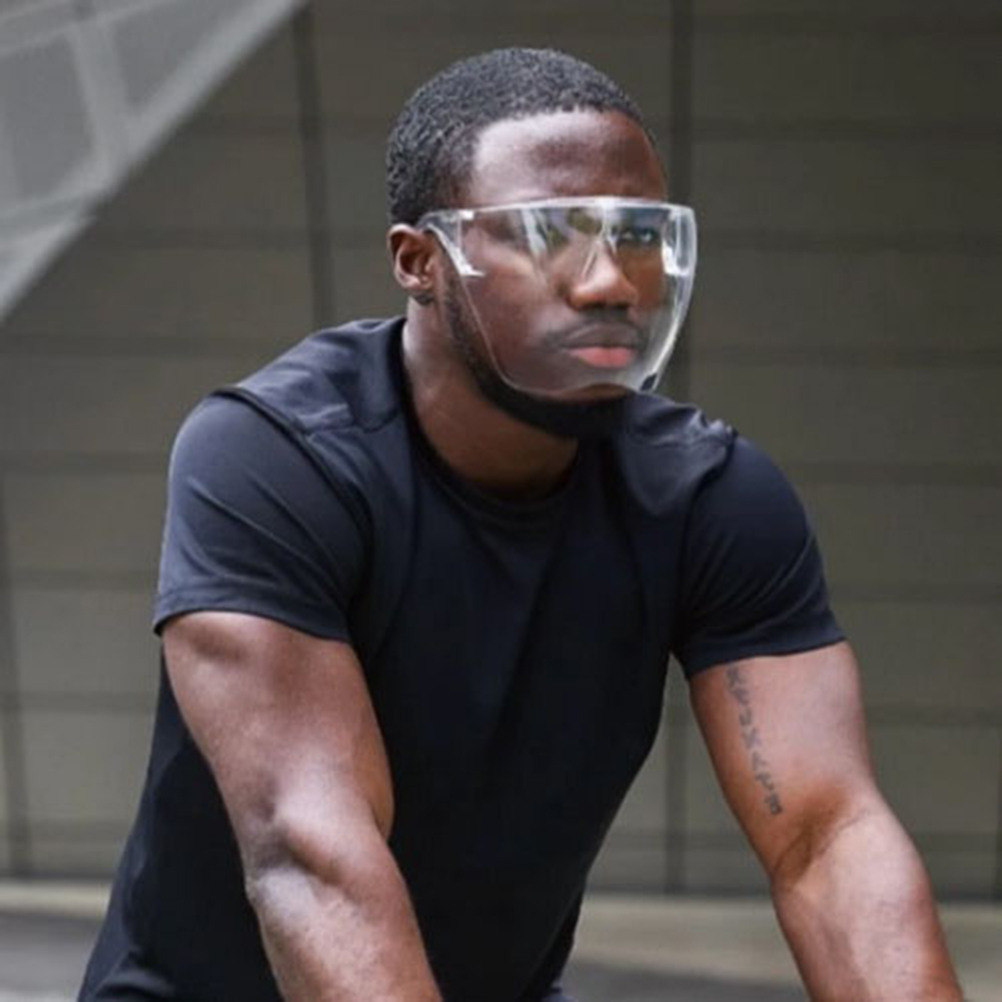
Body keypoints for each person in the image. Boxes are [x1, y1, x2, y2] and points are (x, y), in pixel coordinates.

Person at [81, 48, 961, 1001]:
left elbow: (827, 840)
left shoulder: (709, 498)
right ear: (419, 262)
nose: (609, 283)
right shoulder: (275, 461)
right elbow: (312, 853)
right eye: (550, 234)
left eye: (637, 235)